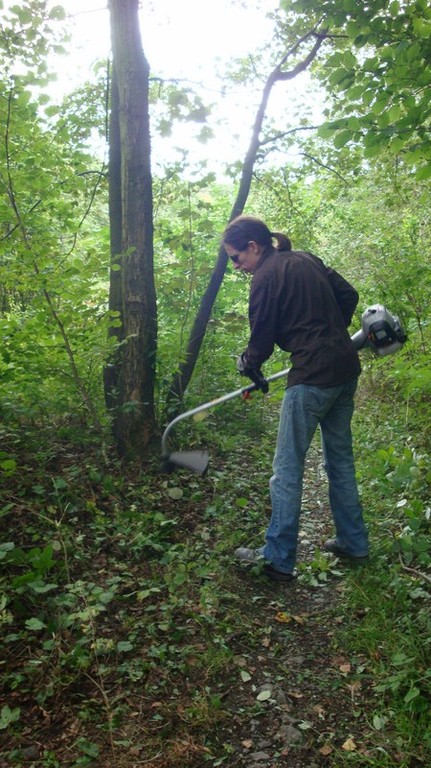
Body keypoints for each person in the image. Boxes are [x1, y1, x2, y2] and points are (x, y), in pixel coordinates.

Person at [222, 215, 369, 583]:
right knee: (340, 461)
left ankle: (278, 558)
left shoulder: (264, 278)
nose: (236, 266)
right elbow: (348, 294)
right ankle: (353, 542)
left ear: (254, 247)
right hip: (344, 370)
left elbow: (261, 342)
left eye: (236, 258)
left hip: (311, 379)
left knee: (286, 469)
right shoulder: (306, 258)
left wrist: (247, 364)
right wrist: (330, 332)